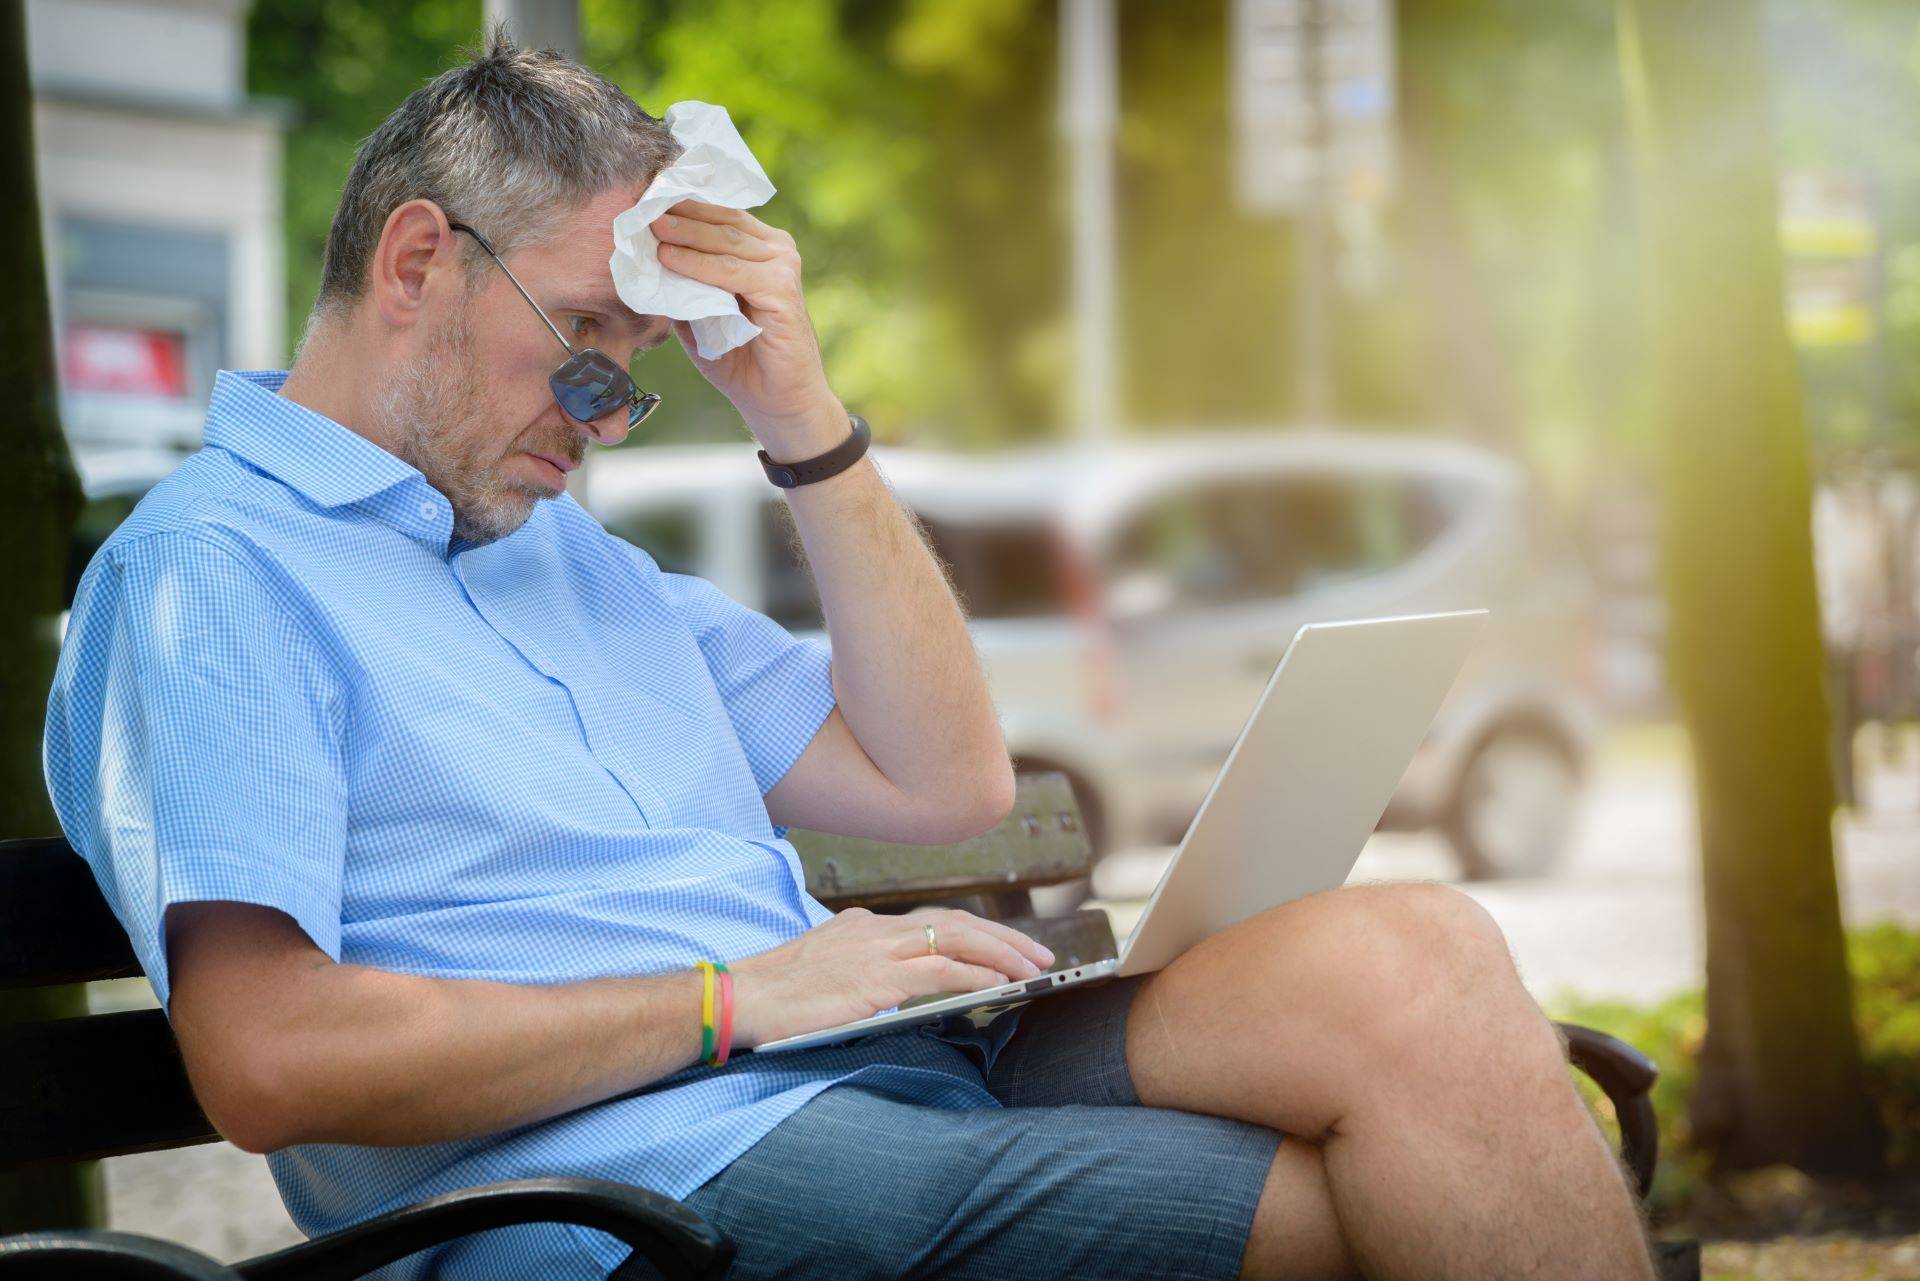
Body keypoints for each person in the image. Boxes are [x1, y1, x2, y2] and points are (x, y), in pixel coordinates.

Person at [42, 31, 1656, 1281]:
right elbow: (264, 1059)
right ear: (416, 265)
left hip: (872, 1070)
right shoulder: (215, 576)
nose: (609, 415)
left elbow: (946, 785)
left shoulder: (572, 560)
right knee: (1414, 1189)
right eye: (590, 342)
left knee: (1421, 959)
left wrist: (801, 418)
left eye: (644, 366)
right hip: (625, 1186)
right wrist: (731, 998)